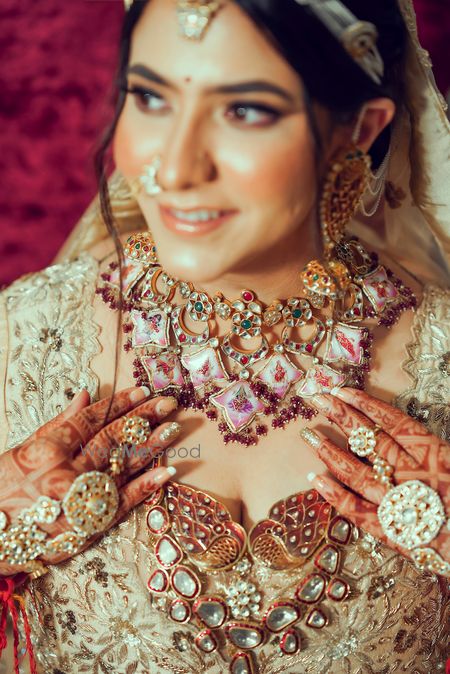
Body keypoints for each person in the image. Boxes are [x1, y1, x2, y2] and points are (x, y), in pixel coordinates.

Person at [0, 0, 449, 672]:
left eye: (245, 110)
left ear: (360, 128)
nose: (174, 168)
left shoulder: (440, 356)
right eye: (150, 96)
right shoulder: (28, 337)